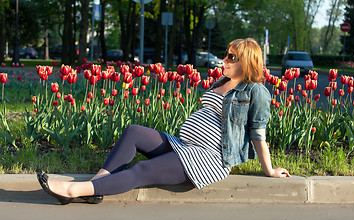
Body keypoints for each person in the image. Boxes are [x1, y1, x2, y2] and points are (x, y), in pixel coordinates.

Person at [37, 38, 291, 205]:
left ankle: (72, 191)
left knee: (140, 171)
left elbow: (258, 133)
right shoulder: (222, 83)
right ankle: (96, 187)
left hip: (209, 159)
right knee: (134, 131)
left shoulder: (255, 91)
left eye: (231, 57)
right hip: (185, 146)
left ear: (246, 62)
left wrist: (269, 170)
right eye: (225, 55)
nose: (224, 60)